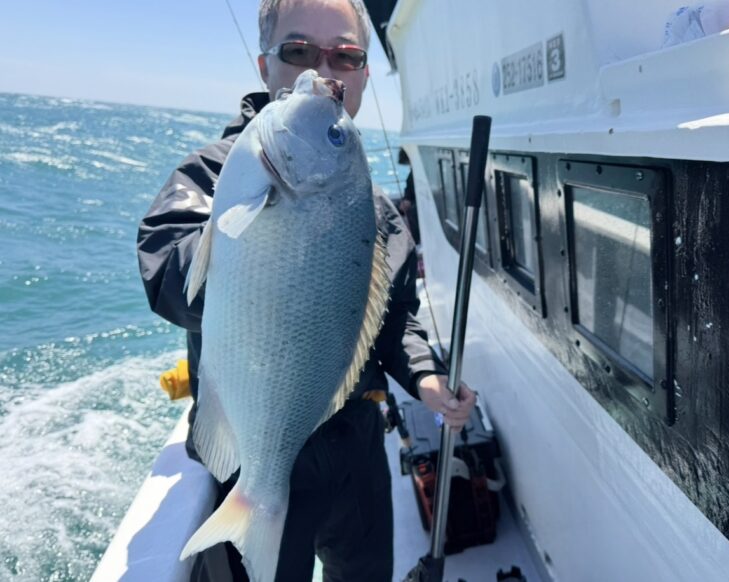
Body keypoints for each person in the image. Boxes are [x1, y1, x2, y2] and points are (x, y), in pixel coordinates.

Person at [136, 1, 476, 580]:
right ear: (265, 66)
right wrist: (254, 253)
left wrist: (425, 375)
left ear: (363, 74)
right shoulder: (214, 174)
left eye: (346, 56)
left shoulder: (375, 209)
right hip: (255, 435)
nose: (322, 70)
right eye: (298, 51)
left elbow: (395, 318)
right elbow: (164, 269)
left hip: (356, 441)